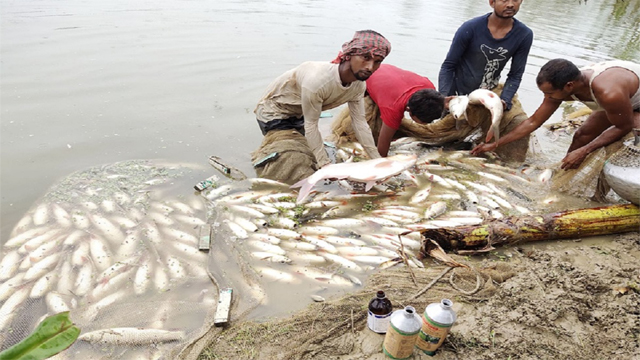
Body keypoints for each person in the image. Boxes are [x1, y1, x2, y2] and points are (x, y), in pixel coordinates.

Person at [253, 30, 391, 169]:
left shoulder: (358, 85)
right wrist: (324, 164)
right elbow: (311, 125)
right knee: (294, 159)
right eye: (365, 58)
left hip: (299, 113)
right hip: (274, 112)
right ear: (349, 55)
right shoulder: (318, 81)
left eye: (377, 62)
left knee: (310, 150)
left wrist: (376, 159)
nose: (370, 67)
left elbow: (360, 123)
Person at [471, 58, 640, 170]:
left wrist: (584, 151)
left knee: (633, 146)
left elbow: (623, 126)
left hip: (632, 101)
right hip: (621, 101)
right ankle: (563, 172)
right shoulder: (563, 85)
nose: (547, 98)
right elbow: (533, 122)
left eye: (549, 94)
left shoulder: (608, 93)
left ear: (568, 86)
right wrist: (495, 144)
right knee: (582, 134)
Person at [438, 0, 533, 112]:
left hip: (487, 95)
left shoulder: (524, 34)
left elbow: (515, 75)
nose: (510, 4)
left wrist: (505, 100)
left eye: (515, 0)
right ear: (492, 2)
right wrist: (445, 96)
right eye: (504, 0)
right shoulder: (470, 28)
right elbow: (448, 66)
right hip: (457, 94)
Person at [364, 64, 446, 157]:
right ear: (409, 111)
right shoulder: (393, 108)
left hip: (386, 70)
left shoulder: (429, 87)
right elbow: (382, 147)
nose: (427, 123)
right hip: (367, 75)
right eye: (423, 121)